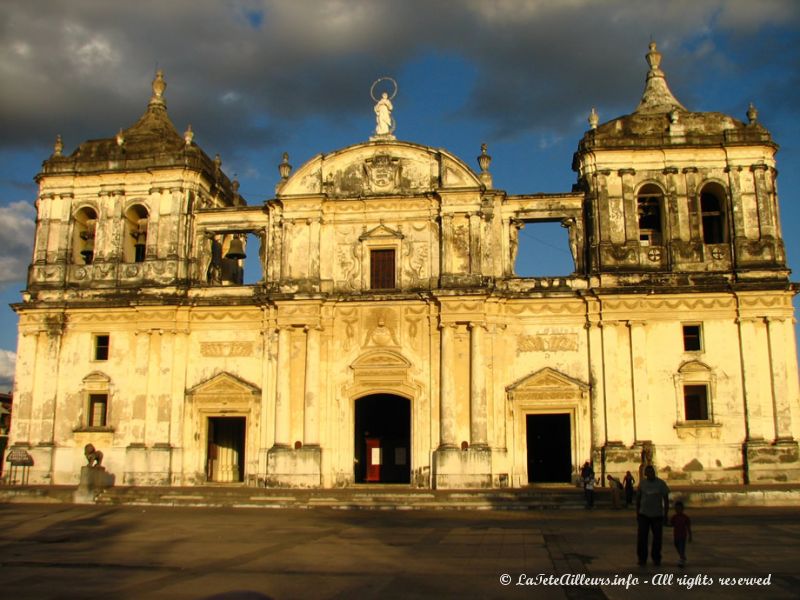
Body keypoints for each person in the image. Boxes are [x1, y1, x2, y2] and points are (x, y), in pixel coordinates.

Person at [636, 465, 670, 566]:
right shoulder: (642, 484)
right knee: (642, 538)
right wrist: (637, 513)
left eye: (652, 472)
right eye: (648, 472)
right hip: (644, 514)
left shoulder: (661, 483)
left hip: (657, 515)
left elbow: (666, 500)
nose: (650, 474)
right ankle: (642, 558)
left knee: (657, 538)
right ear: (645, 474)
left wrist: (666, 514)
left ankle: (656, 557)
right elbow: (638, 499)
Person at [670, 500, 692, 567]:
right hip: (676, 535)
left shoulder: (685, 517)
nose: (678, 510)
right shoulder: (674, 517)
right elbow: (672, 524)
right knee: (676, 545)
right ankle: (682, 556)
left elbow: (688, 527)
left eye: (679, 509)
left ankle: (681, 559)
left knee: (681, 547)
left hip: (683, 535)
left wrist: (690, 536)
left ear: (682, 509)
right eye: (676, 509)